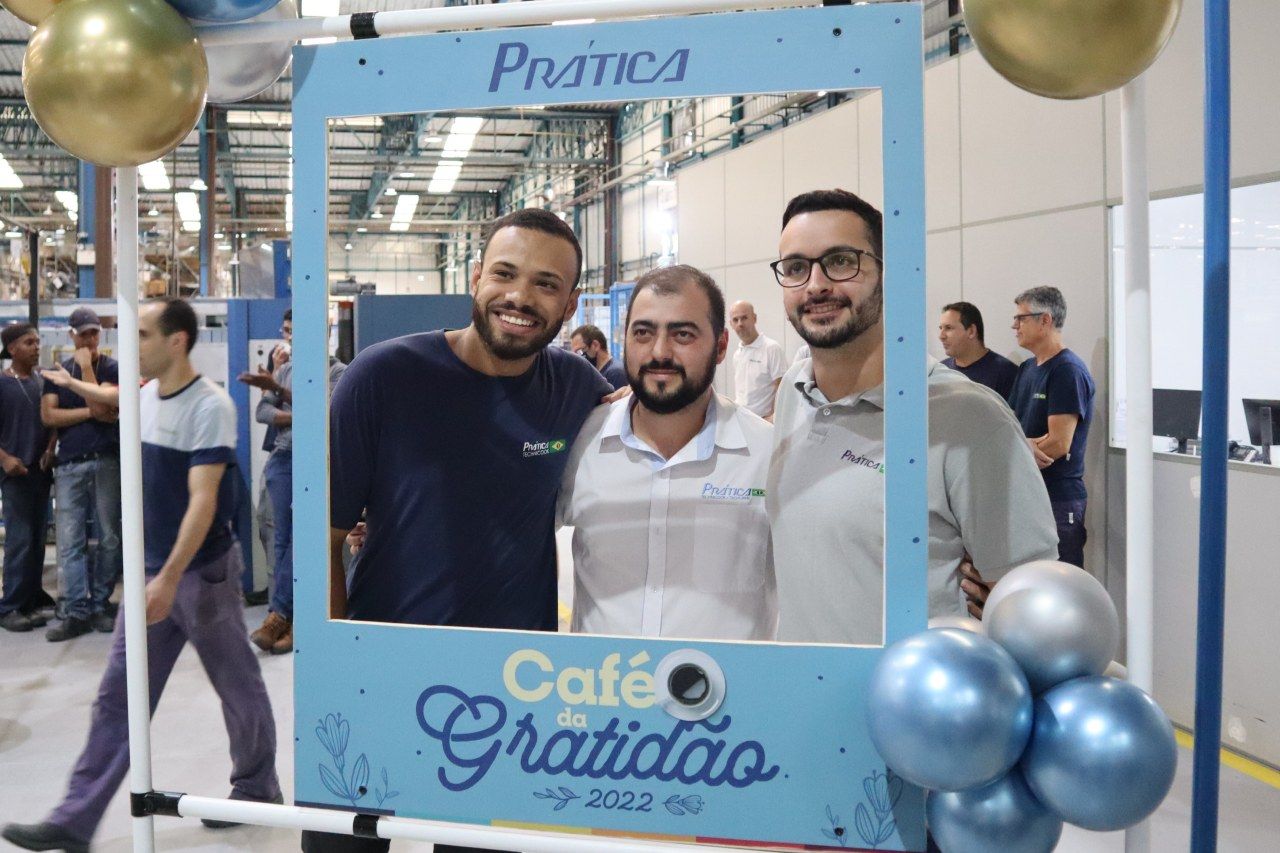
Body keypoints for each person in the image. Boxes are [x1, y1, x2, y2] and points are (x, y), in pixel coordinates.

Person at [322, 208, 615, 853]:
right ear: (477, 278)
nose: (520, 296)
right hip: (383, 672)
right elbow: (325, 534)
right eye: (505, 274)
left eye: (546, 284)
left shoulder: (575, 387)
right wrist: (337, 667)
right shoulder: (383, 376)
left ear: (569, 305)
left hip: (509, 689)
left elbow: (647, 424)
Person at [3, 298, 280, 853]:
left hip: (201, 576)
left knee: (237, 685)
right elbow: (111, 398)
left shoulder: (211, 407)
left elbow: (203, 503)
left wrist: (170, 578)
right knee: (118, 696)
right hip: (154, 573)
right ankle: (75, 819)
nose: (134, 345)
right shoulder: (146, 395)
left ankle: (256, 789)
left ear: (177, 341)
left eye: (145, 334)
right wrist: (72, 382)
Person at [766, 189, 1059, 645]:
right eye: (796, 268)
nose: (816, 285)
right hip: (803, 697)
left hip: (913, 709)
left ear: (888, 272)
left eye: (841, 261)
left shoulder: (968, 419)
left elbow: (1031, 604)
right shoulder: (794, 392)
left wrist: (1001, 609)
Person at [559, 266, 776, 640]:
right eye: (643, 333)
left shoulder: (767, 455)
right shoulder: (580, 442)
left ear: (721, 346)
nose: (660, 352)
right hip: (603, 689)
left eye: (683, 334)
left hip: (731, 696)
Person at [240, 343, 346, 654]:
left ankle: (281, 617)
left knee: (304, 537)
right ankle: (286, 623)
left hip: (315, 459)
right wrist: (297, 413)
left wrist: (278, 392)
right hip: (282, 458)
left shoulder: (338, 372)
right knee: (281, 540)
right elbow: (262, 412)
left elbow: (326, 413)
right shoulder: (287, 370)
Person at [40, 306, 122, 639]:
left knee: (108, 537)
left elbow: (107, 410)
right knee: (69, 541)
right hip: (69, 464)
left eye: (94, 333)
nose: (89, 339)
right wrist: (91, 410)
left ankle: (100, 605)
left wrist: (87, 372)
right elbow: (49, 417)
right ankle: (74, 610)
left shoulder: (113, 368)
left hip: (105, 461)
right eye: (83, 333)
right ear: (71, 335)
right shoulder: (54, 372)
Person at [1007, 285, 1096, 569]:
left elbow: (1058, 444)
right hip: (1028, 493)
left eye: (1021, 318)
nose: (1014, 325)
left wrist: (1023, 449)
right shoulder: (1027, 369)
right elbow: (1012, 429)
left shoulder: (1066, 371)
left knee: (1059, 583)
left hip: (1057, 500)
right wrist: (1026, 447)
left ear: (1044, 320)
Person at [0, 323, 57, 632]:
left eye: (37, 341)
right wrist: (6, 458)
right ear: (12, 349)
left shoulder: (41, 381)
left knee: (37, 537)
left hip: (40, 470)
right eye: (29, 342)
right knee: (20, 540)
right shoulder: (2, 384)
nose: (36, 347)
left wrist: (50, 448)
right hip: (15, 473)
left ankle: (31, 594)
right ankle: (10, 605)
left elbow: (52, 421)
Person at [938, 300, 1018, 399]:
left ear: (971, 331)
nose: (941, 336)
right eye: (940, 328)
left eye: (948, 328)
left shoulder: (1006, 373)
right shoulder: (940, 371)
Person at [729, 300, 786, 419]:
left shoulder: (771, 348)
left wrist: (773, 419)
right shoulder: (737, 354)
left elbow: (782, 389)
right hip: (741, 421)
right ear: (731, 324)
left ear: (754, 318)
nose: (740, 324)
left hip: (764, 423)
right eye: (735, 320)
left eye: (744, 318)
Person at [569, 322, 627, 389]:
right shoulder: (597, 373)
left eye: (580, 351)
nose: (578, 357)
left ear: (595, 345)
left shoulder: (616, 373)